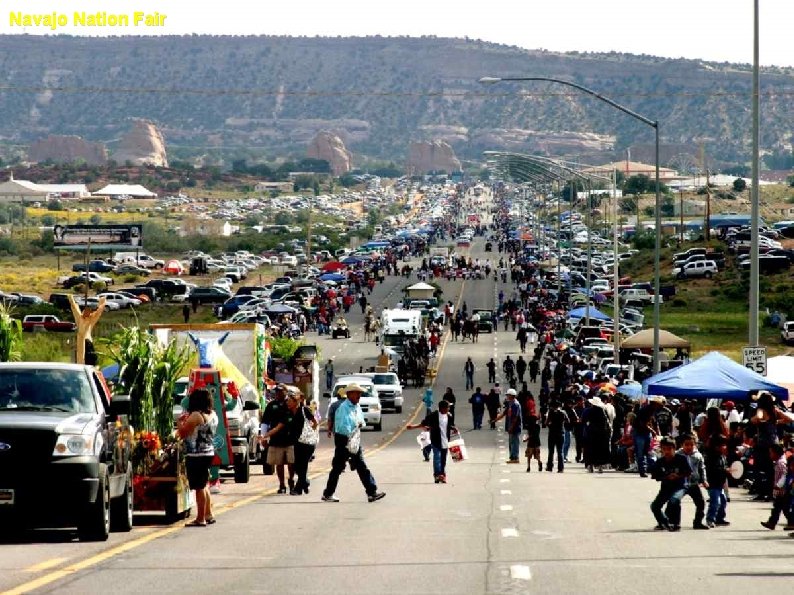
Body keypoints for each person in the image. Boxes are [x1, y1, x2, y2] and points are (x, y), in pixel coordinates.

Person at [322, 383, 385, 503]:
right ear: (349, 394)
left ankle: (372, 492)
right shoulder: (343, 408)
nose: (359, 395)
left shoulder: (356, 407)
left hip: (354, 439)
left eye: (360, 393)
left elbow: (361, 420)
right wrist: (350, 436)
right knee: (338, 468)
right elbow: (342, 426)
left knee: (361, 466)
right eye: (357, 393)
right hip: (344, 440)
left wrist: (359, 425)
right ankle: (328, 493)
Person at [178, 388, 218, 527]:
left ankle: (200, 518)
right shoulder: (213, 414)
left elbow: (182, 433)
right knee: (204, 483)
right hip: (208, 452)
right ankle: (208, 513)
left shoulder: (196, 415)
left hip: (196, 454)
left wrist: (179, 422)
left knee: (198, 486)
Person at [407, 400, 457, 483]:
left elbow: (450, 425)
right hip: (436, 440)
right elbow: (424, 423)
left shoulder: (449, 415)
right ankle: (437, 475)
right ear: (442, 408)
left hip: (445, 440)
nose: (449, 409)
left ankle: (442, 475)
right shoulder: (433, 415)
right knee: (437, 457)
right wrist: (413, 427)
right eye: (448, 407)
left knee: (443, 459)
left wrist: (454, 428)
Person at [650, 436, 692, 532]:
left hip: (680, 486)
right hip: (666, 487)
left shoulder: (681, 459)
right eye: (664, 449)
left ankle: (676, 524)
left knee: (674, 500)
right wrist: (666, 477)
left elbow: (689, 472)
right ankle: (664, 522)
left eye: (669, 449)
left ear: (674, 449)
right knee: (655, 506)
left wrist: (678, 476)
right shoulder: (660, 462)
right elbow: (655, 476)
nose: (667, 452)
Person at [261, 384, 294, 494]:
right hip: (276, 439)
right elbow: (265, 422)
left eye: (280, 391)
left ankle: (291, 480)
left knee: (291, 462)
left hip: (290, 438)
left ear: (286, 391)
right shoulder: (271, 405)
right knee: (279, 463)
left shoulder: (291, 403)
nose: (278, 393)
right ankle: (282, 485)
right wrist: (264, 437)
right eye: (277, 391)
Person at [678, 434, 709, 530]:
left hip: (694, 484)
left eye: (691, 445)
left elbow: (702, 468)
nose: (689, 447)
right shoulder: (677, 455)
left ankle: (698, 522)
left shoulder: (698, 456)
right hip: (681, 483)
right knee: (674, 502)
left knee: (700, 503)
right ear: (682, 445)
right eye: (686, 445)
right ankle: (671, 521)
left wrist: (704, 480)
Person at [761, 445, 794, 530]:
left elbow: (785, 475)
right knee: (778, 507)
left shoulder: (781, 463)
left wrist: (780, 486)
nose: (770, 455)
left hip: (783, 490)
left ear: (776, 453)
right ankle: (772, 522)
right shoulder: (778, 462)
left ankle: (790, 522)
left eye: (771, 453)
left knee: (784, 507)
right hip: (780, 489)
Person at [293, 391, 319, 495]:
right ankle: (304, 483)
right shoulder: (291, 411)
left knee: (302, 465)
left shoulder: (304, 410)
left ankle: (299, 487)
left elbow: (315, 422)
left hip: (306, 443)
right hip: (297, 442)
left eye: (295, 398)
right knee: (298, 466)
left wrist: (311, 432)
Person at [704, 436, 730, 528]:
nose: (725, 447)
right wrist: (724, 470)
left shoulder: (722, 457)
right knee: (715, 502)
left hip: (720, 484)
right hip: (713, 484)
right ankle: (710, 519)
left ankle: (719, 518)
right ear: (716, 446)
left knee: (723, 501)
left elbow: (724, 466)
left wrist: (727, 470)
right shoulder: (711, 458)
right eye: (723, 445)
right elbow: (712, 470)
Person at [495, 388, 523, 463]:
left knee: (515, 442)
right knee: (511, 442)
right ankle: (512, 457)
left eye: (508, 395)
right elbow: (504, 413)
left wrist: (511, 427)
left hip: (515, 427)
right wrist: (495, 420)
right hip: (511, 426)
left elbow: (515, 417)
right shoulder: (510, 404)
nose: (507, 396)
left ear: (512, 396)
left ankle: (515, 458)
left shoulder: (515, 405)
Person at [545, 400, 568, 473]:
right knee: (560, 451)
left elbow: (546, 423)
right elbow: (568, 421)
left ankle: (549, 467)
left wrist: (550, 425)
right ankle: (560, 468)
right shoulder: (563, 412)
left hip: (552, 433)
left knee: (551, 451)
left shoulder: (551, 412)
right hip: (561, 433)